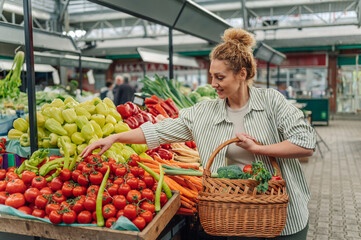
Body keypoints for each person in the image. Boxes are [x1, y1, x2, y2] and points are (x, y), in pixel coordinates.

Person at [81, 28, 316, 240]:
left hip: (283, 217)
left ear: (242, 74)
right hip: (235, 216)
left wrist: (258, 149)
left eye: (220, 77)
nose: (213, 83)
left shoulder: (271, 102)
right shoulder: (203, 112)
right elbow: (158, 132)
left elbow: (305, 144)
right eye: (211, 76)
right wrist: (115, 137)